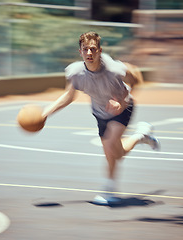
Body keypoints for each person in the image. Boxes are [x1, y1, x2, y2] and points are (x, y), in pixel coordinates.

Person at [42, 31, 160, 205]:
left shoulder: (113, 68)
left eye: (93, 49)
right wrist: (44, 114)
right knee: (116, 154)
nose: (89, 53)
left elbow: (135, 80)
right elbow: (68, 96)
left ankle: (109, 191)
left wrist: (121, 101)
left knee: (112, 145)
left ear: (99, 50)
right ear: (80, 51)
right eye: (85, 49)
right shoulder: (76, 73)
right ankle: (141, 136)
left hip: (123, 108)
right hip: (100, 113)